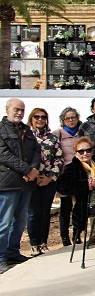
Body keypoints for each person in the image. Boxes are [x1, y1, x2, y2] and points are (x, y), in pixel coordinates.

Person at [0, 98, 40, 272]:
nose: (19, 113)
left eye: (22, 110)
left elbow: (37, 151)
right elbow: (4, 155)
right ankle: (0, 257)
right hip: (9, 184)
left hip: (26, 184)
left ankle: (12, 252)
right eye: (16, 109)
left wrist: (33, 169)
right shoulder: (1, 130)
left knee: (20, 221)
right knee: (4, 223)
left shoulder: (27, 130)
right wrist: (27, 170)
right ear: (7, 109)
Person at [26, 108, 62, 256]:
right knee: (33, 213)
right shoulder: (26, 137)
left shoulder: (52, 138)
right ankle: (34, 244)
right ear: (31, 118)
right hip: (31, 180)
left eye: (43, 117)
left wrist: (49, 177)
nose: (40, 119)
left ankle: (43, 243)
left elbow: (59, 160)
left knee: (45, 213)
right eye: (37, 117)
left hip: (48, 181)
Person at [53, 107, 81, 246]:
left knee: (79, 206)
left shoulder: (82, 132)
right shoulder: (58, 134)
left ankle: (77, 234)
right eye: (68, 118)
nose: (71, 120)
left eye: (73, 117)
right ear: (63, 120)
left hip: (79, 174)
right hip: (65, 175)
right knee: (66, 206)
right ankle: (64, 236)